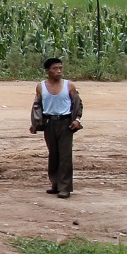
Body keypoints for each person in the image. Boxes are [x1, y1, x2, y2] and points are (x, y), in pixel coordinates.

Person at [32, 56, 85, 198]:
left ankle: (65, 187)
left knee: (65, 156)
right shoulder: (41, 87)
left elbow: (77, 104)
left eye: (60, 68)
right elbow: (37, 106)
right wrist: (35, 123)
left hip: (65, 123)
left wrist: (77, 119)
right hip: (49, 124)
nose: (59, 71)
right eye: (55, 68)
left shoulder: (69, 86)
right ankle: (55, 184)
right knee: (53, 155)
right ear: (47, 70)